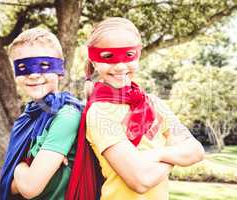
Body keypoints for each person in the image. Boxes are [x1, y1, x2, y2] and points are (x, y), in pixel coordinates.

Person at [67, 17, 205, 200]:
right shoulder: (100, 112)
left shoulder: (153, 103)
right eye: (108, 57)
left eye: (129, 55)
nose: (120, 66)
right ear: (93, 61)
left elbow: (196, 150)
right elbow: (140, 180)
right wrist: (173, 152)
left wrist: (157, 154)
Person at [0, 27, 82, 200]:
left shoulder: (66, 116)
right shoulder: (26, 117)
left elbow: (29, 187)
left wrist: (19, 167)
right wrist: (25, 172)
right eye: (23, 67)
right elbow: (11, 187)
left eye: (44, 65)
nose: (34, 74)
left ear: (60, 69)